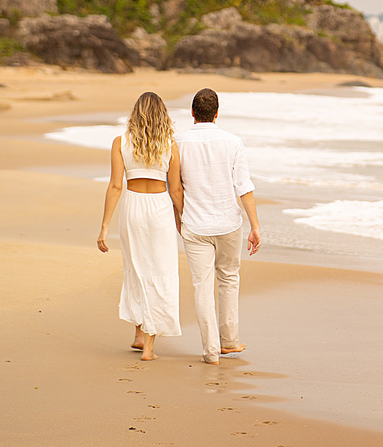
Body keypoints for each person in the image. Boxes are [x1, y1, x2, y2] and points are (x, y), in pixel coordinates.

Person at [177, 87, 261, 365]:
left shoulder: (179, 142)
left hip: (194, 224)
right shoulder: (232, 142)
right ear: (216, 114)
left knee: (202, 287)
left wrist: (179, 218)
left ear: (192, 113)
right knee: (228, 279)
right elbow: (243, 187)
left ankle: (210, 350)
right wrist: (255, 226)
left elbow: (174, 188)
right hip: (227, 223)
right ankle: (229, 341)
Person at [97, 91, 184, 361]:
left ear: (135, 113)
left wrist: (104, 227)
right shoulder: (170, 144)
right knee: (160, 270)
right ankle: (148, 346)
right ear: (162, 115)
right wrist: (182, 220)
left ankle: (138, 333)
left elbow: (115, 185)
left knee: (136, 268)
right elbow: (176, 189)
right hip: (159, 209)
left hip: (133, 207)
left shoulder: (119, 142)